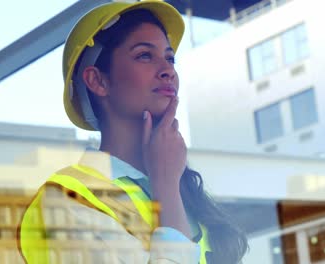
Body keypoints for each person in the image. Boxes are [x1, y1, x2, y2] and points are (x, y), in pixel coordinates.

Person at [17, 1, 248, 263]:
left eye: (170, 58)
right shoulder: (65, 201)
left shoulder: (186, 192)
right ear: (98, 81)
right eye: (144, 56)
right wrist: (166, 188)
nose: (168, 70)